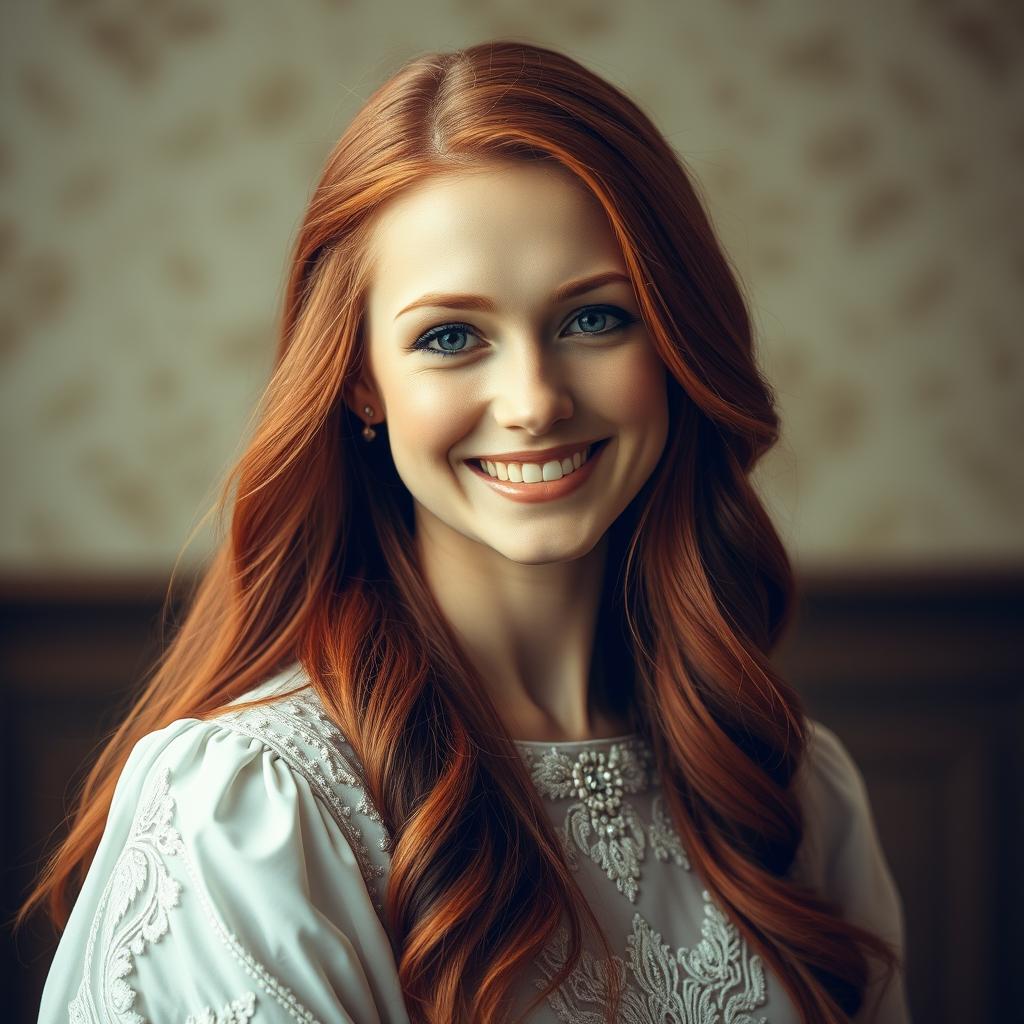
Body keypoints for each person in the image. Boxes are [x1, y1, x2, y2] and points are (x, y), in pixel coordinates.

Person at [23, 40, 911, 1024]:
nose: (531, 400)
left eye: (594, 319)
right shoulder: (253, 807)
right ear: (361, 379)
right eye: (451, 336)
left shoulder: (791, 789)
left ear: (672, 340)